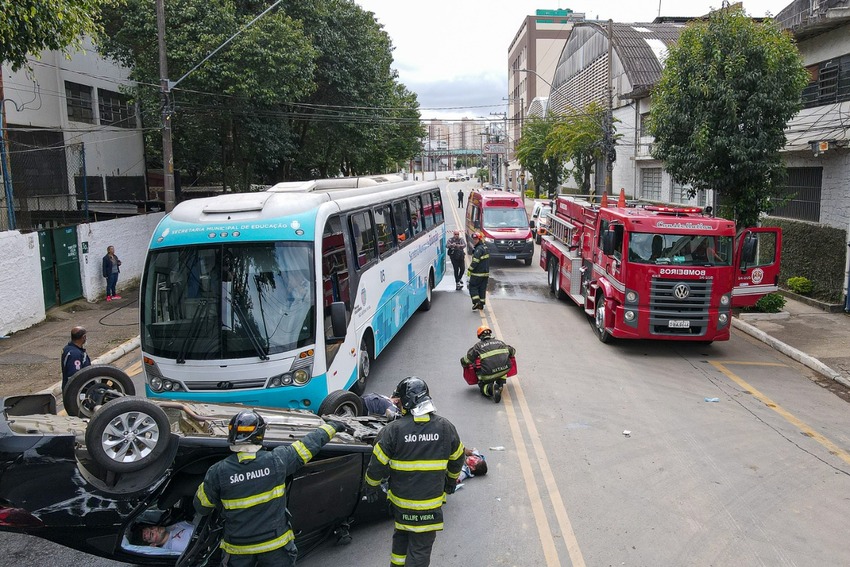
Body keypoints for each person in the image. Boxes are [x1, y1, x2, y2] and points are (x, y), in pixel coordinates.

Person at [194, 409, 350, 566]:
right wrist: (333, 426)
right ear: (260, 434)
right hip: (276, 547)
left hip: (239, 550)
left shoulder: (217, 472)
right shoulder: (277, 460)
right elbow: (309, 445)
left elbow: (202, 507)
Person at [363, 377, 464, 567]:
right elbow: (458, 458)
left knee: (401, 536)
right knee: (420, 549)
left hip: (401, 505)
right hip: (429, 505)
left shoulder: (393, 430)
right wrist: (450, 482)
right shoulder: (445, 427)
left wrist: (371, 486)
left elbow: (376, 464)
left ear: (407, 401)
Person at [460, 325, 516, 404]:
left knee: (482, 384)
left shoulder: (478, 346)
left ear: (480, 336)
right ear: (490, 334)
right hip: (505, 370)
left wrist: (462, 362)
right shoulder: (500, 342)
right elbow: (513, 351)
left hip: (488, 374)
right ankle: (500, 384)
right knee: (501, 368)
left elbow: (467, 360)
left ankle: (490, 389)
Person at [61, 326, 90, 390]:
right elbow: (75, 376)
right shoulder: (74, 354)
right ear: (83, 337)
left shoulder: (68, 348)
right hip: (76, 391)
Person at [466, 232, 489, 310]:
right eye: (474, 239)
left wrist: (469, 269)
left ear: (479, 239)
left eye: (476, 239)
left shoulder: (478, 249)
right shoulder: (484, 247)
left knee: (472, 287)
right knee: (482, 288)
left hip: (477, 273)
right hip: (485, 273)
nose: (474, 240)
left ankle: (477, 302)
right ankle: (481, 304)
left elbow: (475, 261)